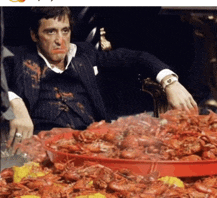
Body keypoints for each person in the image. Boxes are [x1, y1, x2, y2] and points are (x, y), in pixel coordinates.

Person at [4, 7, 197, 149]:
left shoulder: (86, 54)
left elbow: (138, 57)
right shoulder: (17, 58)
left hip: (92, 144)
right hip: (40, 147)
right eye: (50, 31)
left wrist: (171, 82)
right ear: (34, 35)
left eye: (65, 31)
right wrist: (16, 103)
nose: (59, 40)